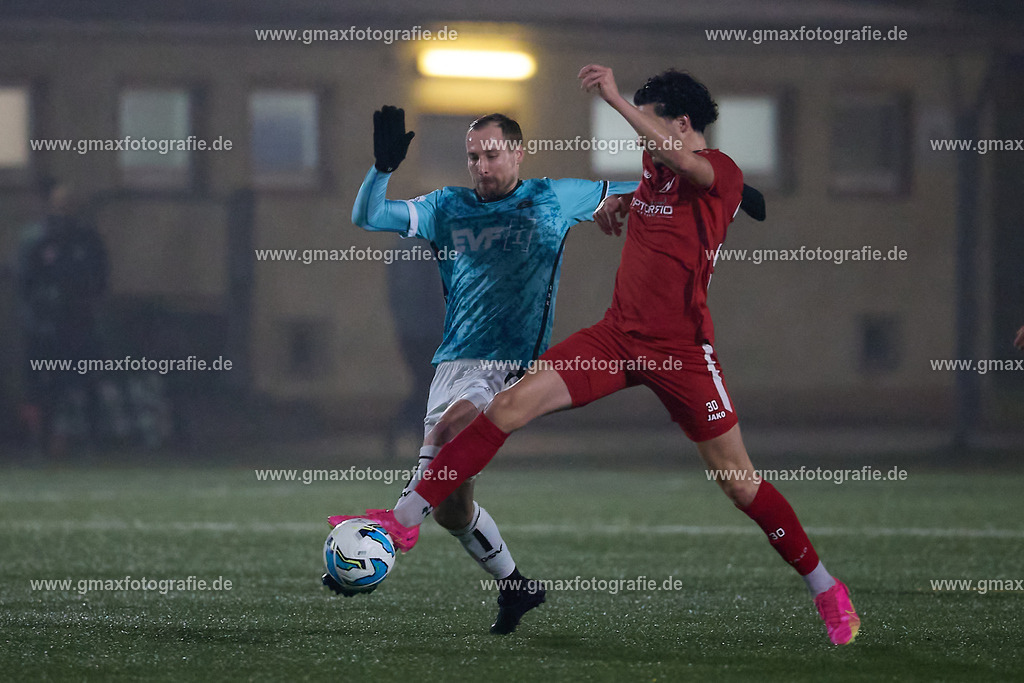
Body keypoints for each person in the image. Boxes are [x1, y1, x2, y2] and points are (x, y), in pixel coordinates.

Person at [339, 65, 861, 647]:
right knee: (507, 408)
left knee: (739, 483)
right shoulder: (651, 174)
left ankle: (825, 589)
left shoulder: (717, 171)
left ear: (680, 125)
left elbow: (695, 168)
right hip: (615, 341)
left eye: (649, 126)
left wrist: (613, 97)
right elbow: (649, 189)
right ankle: (400, 523)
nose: (642, 141)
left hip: (681, 353)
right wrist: (624, 206)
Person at [326, 106, 639, 635]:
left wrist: (713, 182)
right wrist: (381, 167)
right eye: (473, 156)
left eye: (492, 154)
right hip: (451, 364)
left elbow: (643, 186)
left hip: (507, 365)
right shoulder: (447, 206)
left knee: (451, 433)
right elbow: (368, 217)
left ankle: (392, 531)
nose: (482, 165)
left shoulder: (553, 197)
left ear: (517, 152)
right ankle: (516, 587)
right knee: (451, 507)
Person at [16, 179, 108, 456]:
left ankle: (92, 439)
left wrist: (87, 306)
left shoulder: (86, 238)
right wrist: (38, 313)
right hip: (44, 326)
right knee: (43, 385)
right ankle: (40, 440)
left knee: (86, 381)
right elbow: (25, 281)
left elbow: (100, 276)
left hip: (78, 324)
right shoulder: (37, 237)